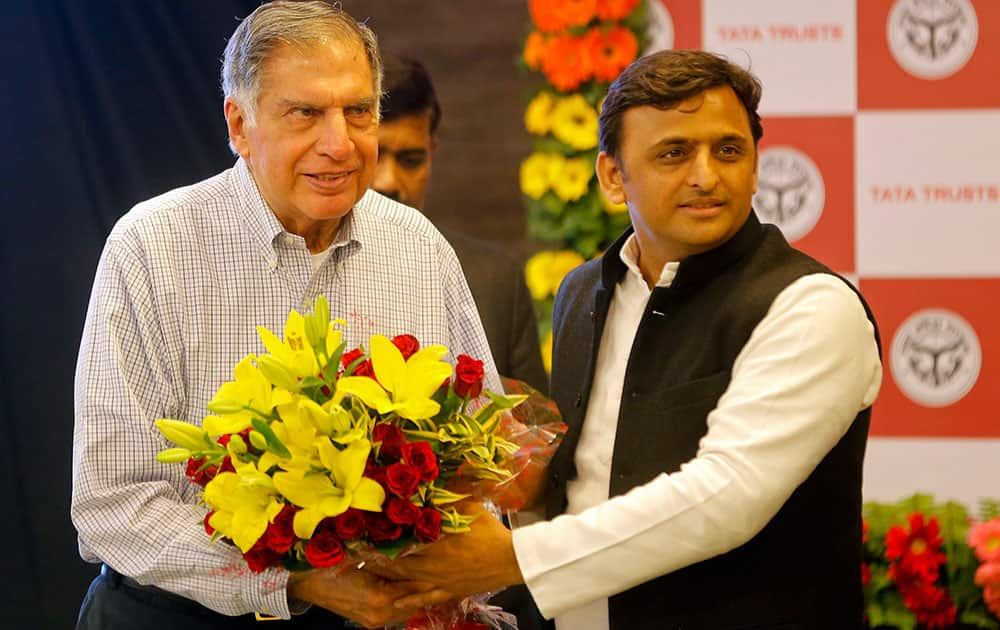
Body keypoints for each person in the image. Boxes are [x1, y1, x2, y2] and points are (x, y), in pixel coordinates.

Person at [376, 49, 883, 629]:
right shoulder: (582, 292)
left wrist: (514, 558)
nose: (706, 175)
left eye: (728, 150)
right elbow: (579, 481)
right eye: (674, 152)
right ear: (613, 176)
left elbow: (726, 497)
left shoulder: (812, 306)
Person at [71, 2, 491, 628]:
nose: (339, 144)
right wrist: (294, 580)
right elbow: (113, 502)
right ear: (238, 125)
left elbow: (482, 459)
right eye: (305, 114)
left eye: (358, 112)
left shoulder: (419, 247)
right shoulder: (153, 247)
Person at [373, 54, 548, 393]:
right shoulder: (301, 266)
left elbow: (532, 433)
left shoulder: (495, 281)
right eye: (374, 155)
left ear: (431, 154)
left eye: (410, 160)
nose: (388, 181)